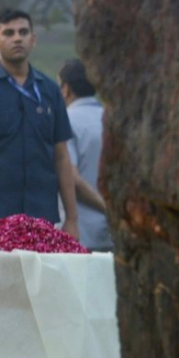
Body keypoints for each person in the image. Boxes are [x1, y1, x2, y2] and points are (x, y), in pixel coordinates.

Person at [0, 8, 79, 244]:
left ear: (33, 39)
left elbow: (62, 158)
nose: (17, 38)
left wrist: (72, 218)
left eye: (23, 32)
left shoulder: (50, 91)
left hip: (41, 218)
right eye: (8, 33)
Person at [58, 60, 112, 251]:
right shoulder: (110, 119)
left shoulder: (65, 121)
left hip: (81, 235)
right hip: (113, 234)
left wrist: (105, 208)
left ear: (65, 89)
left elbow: (71, 179)